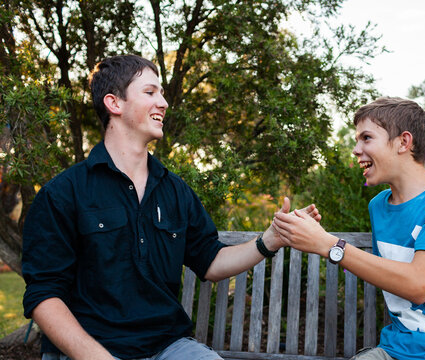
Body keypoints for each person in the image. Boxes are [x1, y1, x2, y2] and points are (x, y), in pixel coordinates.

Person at [22, 54, 320, 360]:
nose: (163, 103)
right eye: (150, 93)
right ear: (115, 103)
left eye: (162, 93)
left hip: (168, 348)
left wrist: (269, 239)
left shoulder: (175, 191)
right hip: (87, 351)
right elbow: (44, 295)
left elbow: (211, 261)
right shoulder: (62, 194)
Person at [273, 97, 425, 360]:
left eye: (366, 138)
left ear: (404, 142)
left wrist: (329, 244)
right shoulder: (378, 206)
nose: (356, 149)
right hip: (397, 348)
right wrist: (302, 230)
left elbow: (418, 285)